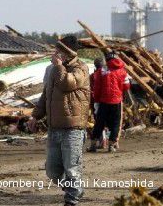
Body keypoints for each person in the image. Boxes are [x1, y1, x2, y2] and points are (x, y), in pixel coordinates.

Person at [28, 36, 90, 206]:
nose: (55, 54)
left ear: (68, 53)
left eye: (59, 51)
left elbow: (67, 84)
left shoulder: (81, 68)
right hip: (54, 128)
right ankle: (75, 189)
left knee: (71, 167)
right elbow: (45, 95)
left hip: (73, 128)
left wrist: (58, 66)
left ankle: (72, 199)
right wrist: (35, 115)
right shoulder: (53, 69)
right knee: (52, 171)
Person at [89, 51, 130, 153]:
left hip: (103, 101)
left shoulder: (102, 71)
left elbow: (97, 88)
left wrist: (96, 101)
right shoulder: (122, 70)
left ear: (106, 60)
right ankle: (112, 145)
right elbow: (126, 86)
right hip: (117, 101)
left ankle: (93, 145)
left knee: (99, 123)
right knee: (116, 124)